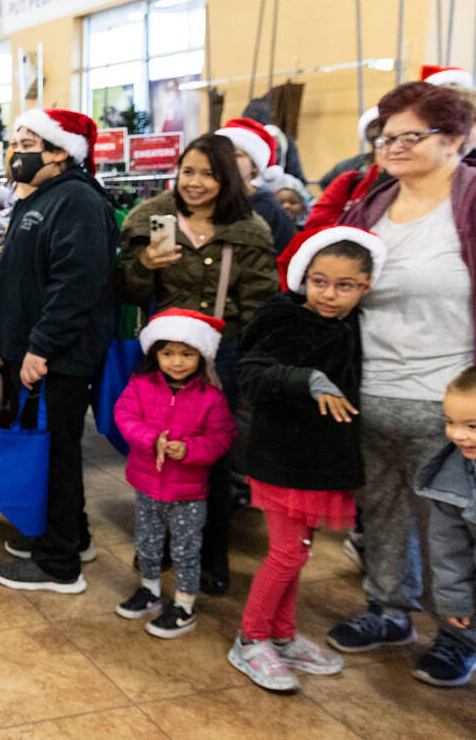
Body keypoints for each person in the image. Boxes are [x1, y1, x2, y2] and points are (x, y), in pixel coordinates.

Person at [327, 80, 476, 655]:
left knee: (450, 532)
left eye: (413, 135)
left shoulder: (468, 203)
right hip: (371, 391)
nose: (394, 146)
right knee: (382, 514)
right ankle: (387, 609)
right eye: (386, 136)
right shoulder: (372, 205)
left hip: (449, 403)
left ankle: (456, 635)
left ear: (456, 139)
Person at [118, 133, 280, 594]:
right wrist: (145, 263)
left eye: (209, 173)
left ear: (228, 178)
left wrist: (249, 369)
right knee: (157, 446)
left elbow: (259, 308)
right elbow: (127, 293)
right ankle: (160, 543)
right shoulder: (153, 221)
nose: (196, 182)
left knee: (210, 454)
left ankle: (211, 550)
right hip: (162, 352)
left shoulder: (249, 230)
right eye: (188, 171)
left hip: (220, 355)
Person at [231, 226, 387, 692]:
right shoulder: (284, 316)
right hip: (284, 458)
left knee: (298, 553)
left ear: (366, 286)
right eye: (319, 281)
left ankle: (282, 634)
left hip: (321, 461)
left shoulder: (348, 324)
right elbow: (253, 371)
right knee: (284, 552)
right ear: (304, 277)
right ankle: (251, 637)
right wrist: (307, 379)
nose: (329, 294)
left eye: (344, 285)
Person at [0, 108, 117, 593]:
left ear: (60, 151)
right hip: (37, 351)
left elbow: (77, 283)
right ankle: (71, 536)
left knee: (55, 455)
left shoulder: (77, 200)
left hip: (58, 356)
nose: (16, 150)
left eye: (28, 141)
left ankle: (59, 564)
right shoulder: (44, 196)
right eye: (15, 141)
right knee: (55, 450)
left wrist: (40, 347)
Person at [113, 309, 234, 638]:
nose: (176, 362)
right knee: (148, 544)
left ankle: (184, 605)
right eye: (167, 353)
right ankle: (150, 591)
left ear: (201, 355)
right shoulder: (140, 386)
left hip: (188, 492)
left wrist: (191, 451)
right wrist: (151, 439)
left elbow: (221, 438)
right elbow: (124, 416)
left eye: (186, 354)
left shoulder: (212, 398)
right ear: (155, 354)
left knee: (185, 549)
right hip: (146, 485)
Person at [413, 367, 476, 687]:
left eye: (472, 426)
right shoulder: (451, 477)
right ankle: (458, 643)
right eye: (450, 422)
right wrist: (454, 600)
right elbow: (447, 547)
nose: (458, 435)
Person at [215, 118, 296, 253]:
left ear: (254, 165)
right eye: (221, 154)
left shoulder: (269, 209)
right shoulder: (205, 201)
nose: (227, 160)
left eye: (236, 155)